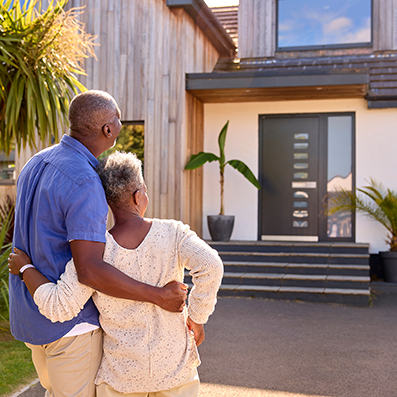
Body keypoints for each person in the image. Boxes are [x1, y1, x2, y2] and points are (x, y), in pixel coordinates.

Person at [9, 90, 187, 397]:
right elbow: (90, 270)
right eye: (117, 118)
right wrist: (158, 296)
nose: (119, 124)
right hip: (70, 327)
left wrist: (25, 267)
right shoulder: (85, 180)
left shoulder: (34, 163)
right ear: (108, 129)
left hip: (30, 319)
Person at [9, 151, 224, 397]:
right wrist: (196, 317)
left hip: (121, 379)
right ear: (139, 195)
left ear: (108, 201)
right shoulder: (174, 234)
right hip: (174, 371)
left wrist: (25, 268)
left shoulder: (95, 253)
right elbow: (211, 265)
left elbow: (58, 306)